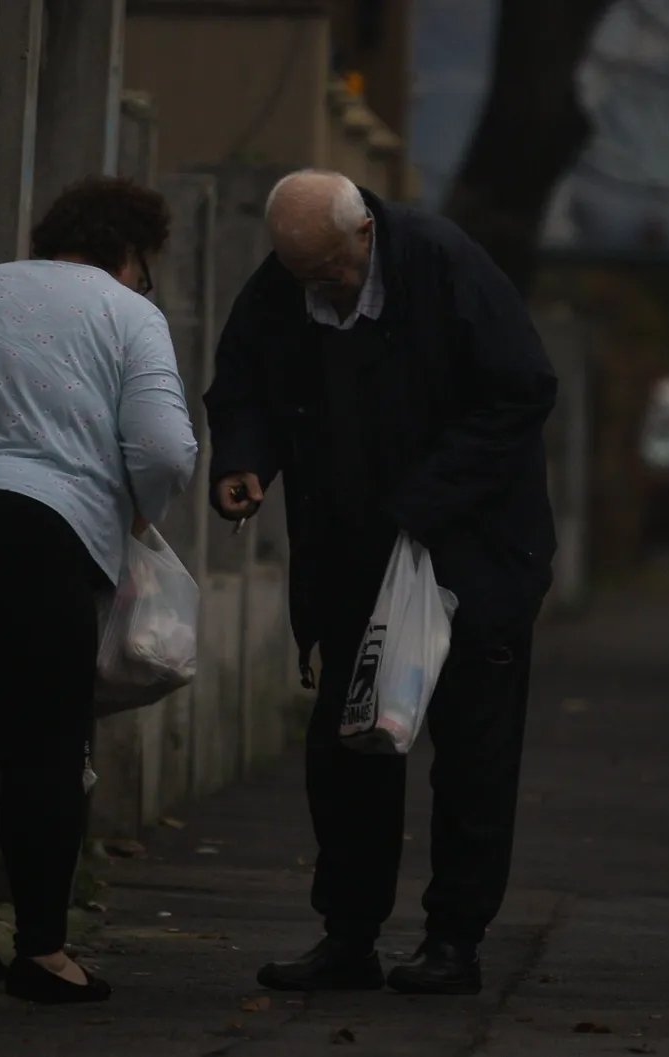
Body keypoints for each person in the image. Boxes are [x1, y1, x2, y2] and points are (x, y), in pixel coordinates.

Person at [204, 170, 556, 996]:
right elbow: (243, 383)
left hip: (474, 552)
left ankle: (453, 940)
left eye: (330, 269)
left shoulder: (443, 265)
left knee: (472, 753)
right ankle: (349, 933)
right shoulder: (285, 283)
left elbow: (522, 391)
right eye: (304, 275)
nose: (321, 288)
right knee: (349, 744)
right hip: (352, 554)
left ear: (364, 231)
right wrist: (244, 462)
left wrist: (419, 502)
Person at [0, 177, 198, 1003]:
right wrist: (138, 515)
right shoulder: (130, 315)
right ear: (133, 253)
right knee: (46, 742)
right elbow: (163, 448)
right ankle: (45, 949)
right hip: (54, 535)